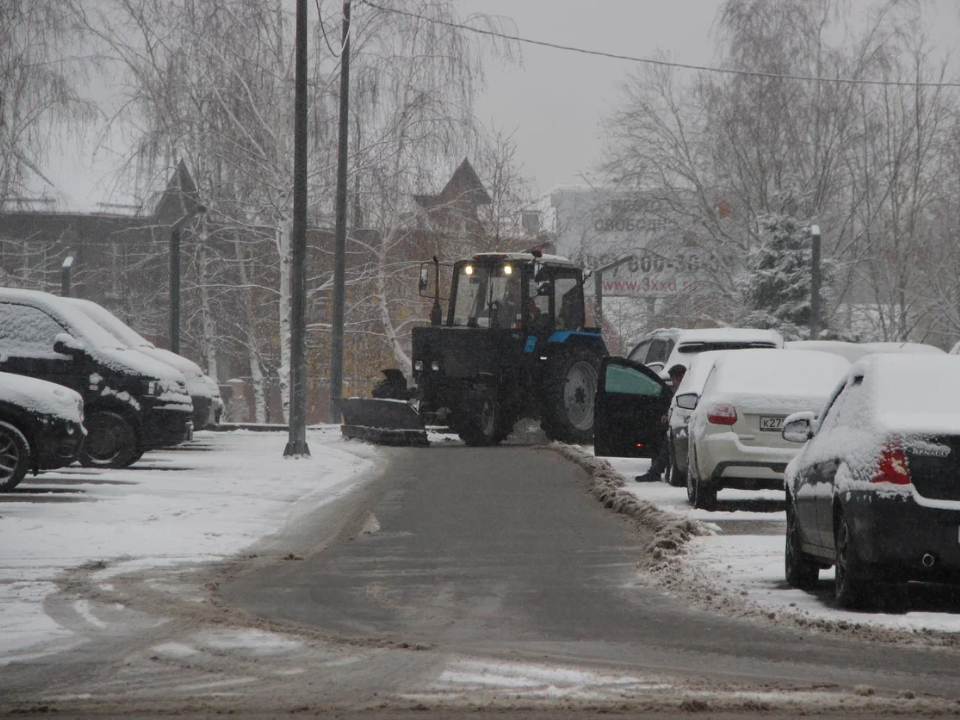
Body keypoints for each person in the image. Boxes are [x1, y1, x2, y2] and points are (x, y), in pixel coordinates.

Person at [635, 363, 687, 483]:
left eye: (676, 379)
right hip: (673, 425)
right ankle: (656, 471)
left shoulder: (687, 391)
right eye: (673, 379)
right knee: (658, 439)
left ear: (683, 377)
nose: (674, 382)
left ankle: (655, 473)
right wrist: (666, 415)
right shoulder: (674, 391)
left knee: (666, 446)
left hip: (682, 427)